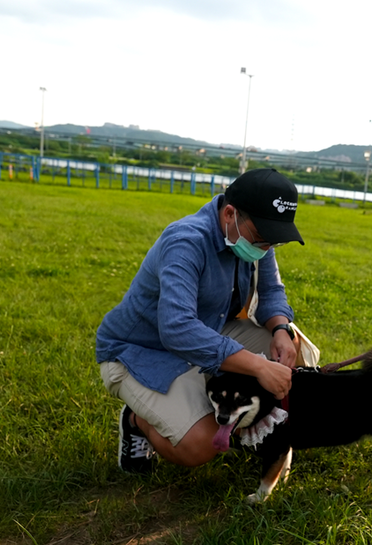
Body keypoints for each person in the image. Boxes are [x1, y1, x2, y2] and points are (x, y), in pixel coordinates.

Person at [97, 168, 305, 474]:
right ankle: (136, 421)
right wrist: (258, 366)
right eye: (261, 239)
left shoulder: (254, 238)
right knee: (201, 443)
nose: (266, 249)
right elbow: (176, 328)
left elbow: (271, 290)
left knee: (294, 349)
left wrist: (281, 330)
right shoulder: (186, 241)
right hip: (141, 353)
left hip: (208, 332)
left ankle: (261, 431)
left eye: (273, 243)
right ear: (230, 214)